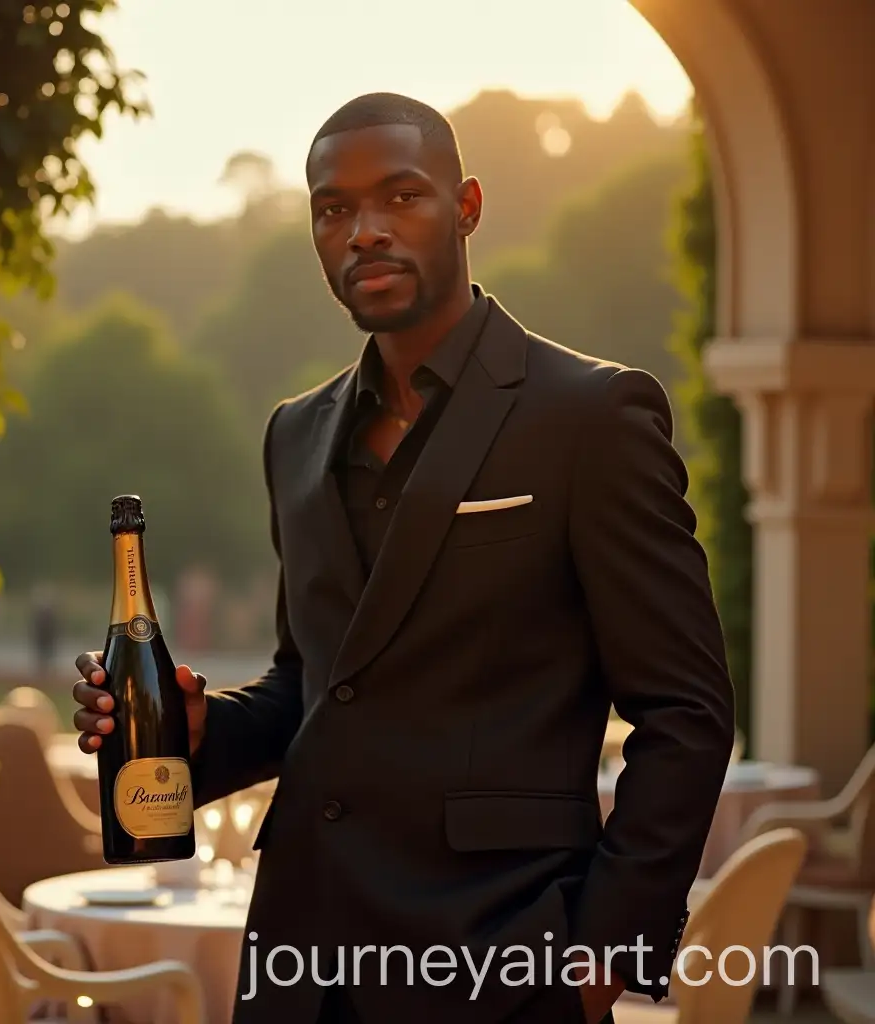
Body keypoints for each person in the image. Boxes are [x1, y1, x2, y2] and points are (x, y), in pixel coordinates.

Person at [72, 93, 735, 1024]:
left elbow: (688, 713)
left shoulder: (591, 418)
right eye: (334, 209)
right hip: (301, 958)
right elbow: (314, 685)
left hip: (502, 956)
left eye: (401, 198)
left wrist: (598, 960)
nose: (365, 231)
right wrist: (192, 730)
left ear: (465, 206)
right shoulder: (294, 437)